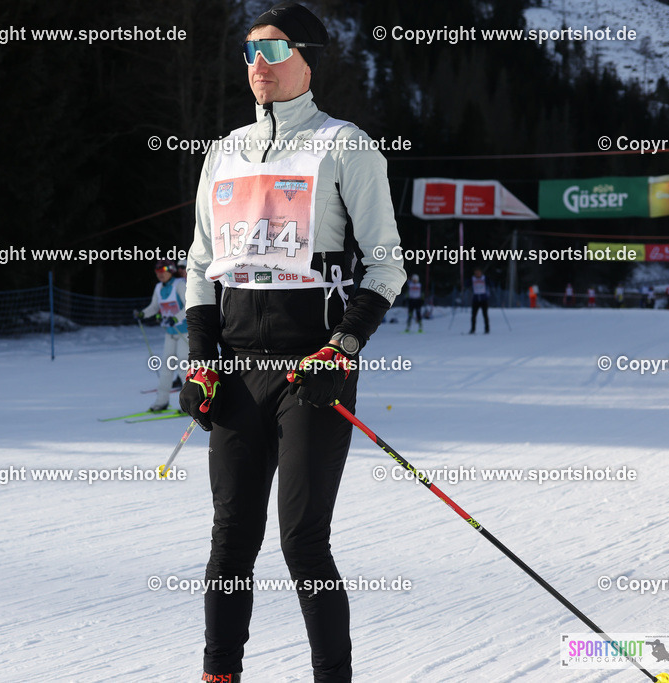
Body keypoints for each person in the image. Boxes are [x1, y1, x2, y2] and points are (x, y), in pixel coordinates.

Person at [178, 3, 406, 680]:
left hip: (312, 369)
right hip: (237, 371)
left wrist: (343, 347)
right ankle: (219, 673)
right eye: (250, 52)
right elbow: (201, 265)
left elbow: (386, 265)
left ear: (310, 60)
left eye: (275, 51)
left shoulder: (344, 145)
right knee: (230, 544)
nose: (259, 65)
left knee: (302, 541)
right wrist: (201, 360)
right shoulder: (224, 152)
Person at [135, 259, 188, 411]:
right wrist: (142, 314)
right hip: (170, 333)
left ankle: (189, 404)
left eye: (163, 271)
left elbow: (189, 305)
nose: (160, 275)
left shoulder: (179, 284)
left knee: (183, 368)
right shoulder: (159, 287)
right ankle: (162, 401)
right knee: (166, 368)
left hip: (185, 332)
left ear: (171, 271)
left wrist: (175, 318)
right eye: (157, 272)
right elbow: (154, 307)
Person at [470, 269, 490, 333]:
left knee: (485, 315)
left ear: (481, 273)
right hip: (475, 299)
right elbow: (467, 284)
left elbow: (490, 283)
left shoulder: (484, 278)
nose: (477, 274)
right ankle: (473, 329)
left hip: (483, 299)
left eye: (478, 273)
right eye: (476, 273)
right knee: (473, 315)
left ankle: (487, 329)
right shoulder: (472, 279)